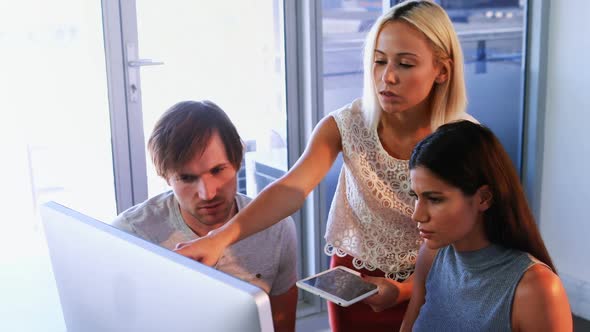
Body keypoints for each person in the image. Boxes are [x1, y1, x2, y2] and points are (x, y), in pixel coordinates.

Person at [175, 1, 474, 330]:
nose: (387, 77)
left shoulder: (465, 141)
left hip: (433, 284)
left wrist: (404, 290)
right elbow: (292, 188)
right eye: (378, 61)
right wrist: (220, 238)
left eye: (405, 64)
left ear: (442, 70)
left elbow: (475, 244)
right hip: (356, 279)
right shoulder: (345, 124)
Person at [112, 100, 298, 332]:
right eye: (187, 178)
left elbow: (282, 321)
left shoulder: (276, 228)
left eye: (217, 170)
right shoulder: (130, 234)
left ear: (237, 161)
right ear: (167, 178)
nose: (208, 193)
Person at [400, 120, 572, 331]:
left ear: (484, 198)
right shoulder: (432, 256)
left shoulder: (537, 289)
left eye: (435, 199)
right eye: (415, 196)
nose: (418, 215)